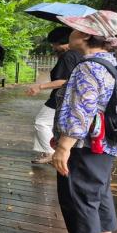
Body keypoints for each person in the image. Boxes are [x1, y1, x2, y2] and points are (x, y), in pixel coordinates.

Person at [52, 10, 117, 233]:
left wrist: (63, 147)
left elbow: (81, 110)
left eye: (75, 28)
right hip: (104, 146)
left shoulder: (87, 67)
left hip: (84, 148)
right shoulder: (110, 62)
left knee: (80, 204)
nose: (70, 33)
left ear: (86, 35)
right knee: (98, 196)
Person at [26, 27, 82, 164]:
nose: (53, 46)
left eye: (54, 43)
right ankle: (50, 151)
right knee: (54, 125)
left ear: (61, 42)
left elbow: (64, 81)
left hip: (60, 97)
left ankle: (51, 153)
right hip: (72, 97)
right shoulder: (78, 54)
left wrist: (40, 86)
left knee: (41, 122)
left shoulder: (68, 56)